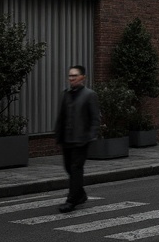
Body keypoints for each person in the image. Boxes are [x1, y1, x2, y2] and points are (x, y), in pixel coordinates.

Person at [54, 65, 101, 214]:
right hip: (67, 139)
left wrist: (91, 135)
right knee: (69, 168)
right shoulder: (66, 94)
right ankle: (80, 194)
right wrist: (58, 135)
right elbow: (61, 117)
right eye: (70, 76)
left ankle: (71, 200)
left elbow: (95, 118)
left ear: (83, 78)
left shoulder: (89, 95)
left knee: (75, 169)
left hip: (81, 140)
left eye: (75, 76)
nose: (72, 78)